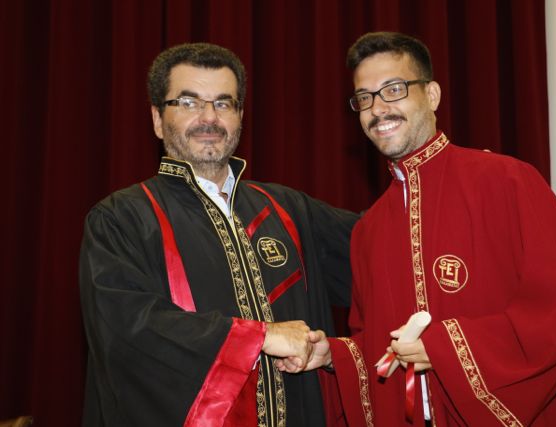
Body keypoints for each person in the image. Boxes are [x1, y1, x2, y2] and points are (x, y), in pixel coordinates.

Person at [296, 32, 556, 426]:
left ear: (432, 95)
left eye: (393, 89)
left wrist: (446, 348)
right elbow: (376, 346)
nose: (378, 109)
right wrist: (335, 356)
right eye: (365, 98)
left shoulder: (508, 180)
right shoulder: (367, 231)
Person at [79, 42, 358, 427]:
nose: (209, 117)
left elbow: (383, 251)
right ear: (158, 118)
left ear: (240, 117)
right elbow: (128, 332)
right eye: (189, 102)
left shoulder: (287, 209)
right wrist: (259, 337)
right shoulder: (120, 218)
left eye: (224, 103)